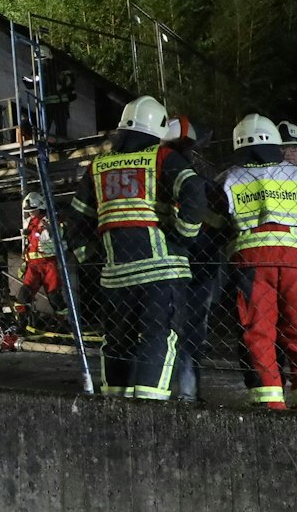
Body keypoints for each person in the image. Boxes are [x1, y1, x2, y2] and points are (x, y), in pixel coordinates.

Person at [68, 95, 206, 401]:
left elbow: (76, 223)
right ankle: (150, 408)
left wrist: (94, 259)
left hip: (116, 277)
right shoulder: (161, 158)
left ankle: (115, 405)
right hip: (161, 271)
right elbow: (193, 190)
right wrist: (184, 235)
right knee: (158, 337)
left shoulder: (97, 166)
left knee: (117, 341)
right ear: (157, 129)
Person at [221, 114, 297, 412]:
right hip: (296, 262)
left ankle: (271, 402)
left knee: (258, 330)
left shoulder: (230, 177)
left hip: (251, 263)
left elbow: (217, 220)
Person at [162, 114, 224, 405]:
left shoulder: (151, 178)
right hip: (198, 267)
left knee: (163, 331)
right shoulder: (195, 181)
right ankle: (187, 393)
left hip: (165, 266)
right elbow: (221, 222)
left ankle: (163, 389)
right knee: (190, 333)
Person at [6, 189, 61, 347]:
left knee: (55, 298)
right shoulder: (30, 224)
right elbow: (29, 246)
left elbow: (55, 239)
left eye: (33, 210)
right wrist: (24, 263)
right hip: (33, 267)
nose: (31, 214)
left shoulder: (49, 220)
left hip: (48, 264)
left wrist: (49, 229)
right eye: (28, 211)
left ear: (41, 207)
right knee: (23, 296)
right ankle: (21, 326)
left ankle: (64, 327)